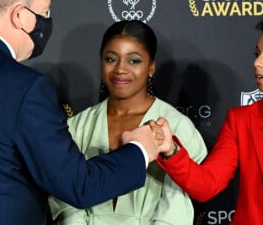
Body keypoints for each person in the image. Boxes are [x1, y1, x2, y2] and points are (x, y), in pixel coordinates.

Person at [0, 0, 164, 225]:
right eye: (45, 12)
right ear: (20, 16)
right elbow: (78, 185)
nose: (47, 23)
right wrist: (140, 148)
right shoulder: (25, 88)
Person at [49, 20, 208, 225]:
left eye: (134, 60)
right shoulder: (76, 127)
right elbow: (65, 199)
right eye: (111, 59)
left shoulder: (177, 127)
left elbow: (175, 205)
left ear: (151, 67)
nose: (120, 69)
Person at [156, 14, 263, 224]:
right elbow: (206, 186)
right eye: (257, 53)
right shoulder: (241, 121)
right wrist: (171, 151)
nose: (257, 62)